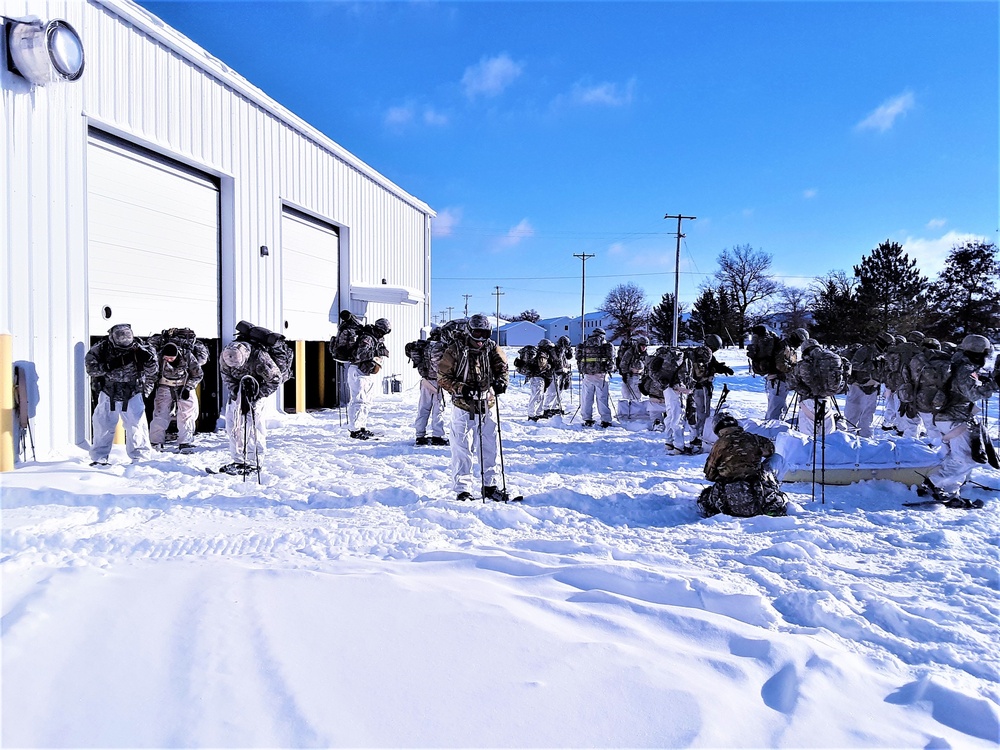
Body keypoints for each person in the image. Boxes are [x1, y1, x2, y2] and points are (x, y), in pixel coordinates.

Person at [437, 314, 513, 502]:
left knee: (490, 446)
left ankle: (490, 485)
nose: (480, 339)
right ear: (469, 331)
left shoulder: (491, 348)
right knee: (462, 448)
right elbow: (442, 377)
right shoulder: (455, 350)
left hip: (487, 403)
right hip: (463, 406)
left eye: (484, 334)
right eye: (476, 333)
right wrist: (462, 388)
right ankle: (463, 489)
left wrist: (501, 383)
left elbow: (502, 369)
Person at [920, 334, 996, 507]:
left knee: (955, 456)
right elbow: (973, 394)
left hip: (949, 418)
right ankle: (934, 483)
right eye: (984, 353)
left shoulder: (959, 364)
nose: (985, 358)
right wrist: (994, 385)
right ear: (976, 352)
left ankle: (949, 490)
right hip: (954, 418)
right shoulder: (964, 368)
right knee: (966, 457)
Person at [85, 323, 158, 466]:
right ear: (112, 337)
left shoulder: (142, 348)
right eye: (120, 337)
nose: (124, 340)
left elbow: (153, 371)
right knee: (103, 426)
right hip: (108, 392)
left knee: (137, 426)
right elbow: (91, 369)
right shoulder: (101, 349)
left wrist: (148, 361)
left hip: (133, 391)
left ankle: (140, 458)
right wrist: (108, 366)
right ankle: (99, 458)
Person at [698, 413, 788, 518]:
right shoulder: (753, 438)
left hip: (728, 490)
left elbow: (710, 474)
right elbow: (771, 450)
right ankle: (773, 488)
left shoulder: (718, 445)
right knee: (778, 458)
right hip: (756, 486)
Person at [219, 333, 284, 474]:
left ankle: (255, 462)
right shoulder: (226, 356)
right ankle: (238, 461)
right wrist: (235, 390)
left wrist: (258, 394)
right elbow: (225, 375)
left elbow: (275, 379)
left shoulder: (259, 358)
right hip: (237, 393)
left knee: (254, 427)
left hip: (257, 394)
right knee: (234, 426)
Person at [147, 328, 210, 452]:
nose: (168, 360)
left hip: (184, 385)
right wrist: (147, 389)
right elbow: (152, 374)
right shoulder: (158, 358)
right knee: (160, 413)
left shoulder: (187, 356)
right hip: (165, 385)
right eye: (166, 358)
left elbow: (197, 374)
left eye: (171, 358)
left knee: (187, 414)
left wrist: (188, 387)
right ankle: (156, 441)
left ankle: (185, 442)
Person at [748, 325, 805, 421]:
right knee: (776, 410)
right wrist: (795, 371)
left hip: (778, 381)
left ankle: (772, 428)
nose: (799, 344)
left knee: (778, 407)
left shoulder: (788, 346)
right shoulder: (785, 346)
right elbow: (780, 365)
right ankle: (771, 431)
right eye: (800, 341)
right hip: (777, 381)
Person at [347, 317, 391, 439]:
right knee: (358, 401)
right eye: (383, 331)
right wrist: (377, 353)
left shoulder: (375, 339)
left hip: (365, 373)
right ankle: (355, 430)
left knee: (366, 402)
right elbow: (359, 355)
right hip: (358, 371)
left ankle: (361, 427)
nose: (383, 334)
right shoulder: (367, 338)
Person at [844, 331, 894, 438]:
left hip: (873, 388)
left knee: (868, 414)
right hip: (858, 387)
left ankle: (865, 436)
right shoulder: (865, 351)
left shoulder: (883, 355)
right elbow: (854, 365)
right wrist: (871, 366)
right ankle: (848, 437)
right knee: (853, 414)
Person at [688, 334, 734, 449]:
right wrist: (715, 369)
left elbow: (713, 364)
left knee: (704, 413)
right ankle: (697, 436)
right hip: (700, 388)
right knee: (701, 413)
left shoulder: (706, 354)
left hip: (705, 387)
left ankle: (700, 434)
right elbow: (701, 372)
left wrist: (722, 368)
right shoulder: (701, 355)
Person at [405, 326, 448, 447]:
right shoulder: (440, 347)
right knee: (438, 410)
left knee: (423, 408)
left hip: (425, 380)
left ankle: (420, 435)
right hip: (437, 381)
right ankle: (437, 436)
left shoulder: (423, 345)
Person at [575, 327, 614, 428]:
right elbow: (611, 360)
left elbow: (578, 358)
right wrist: (609, 369)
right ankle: (605, 420)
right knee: (602, 398)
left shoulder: (584, 344)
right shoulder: (606, 345)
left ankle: (587, 419)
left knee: (587, 398)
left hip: (587, 374)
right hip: (601, 374)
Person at [545, 335, 574, 417]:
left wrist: (569, 350)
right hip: (555, 372)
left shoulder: (564, 350)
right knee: (552, 392)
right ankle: (547, 408)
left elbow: (569, 357)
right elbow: (557, 359)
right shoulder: (554, 350)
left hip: (562, 372)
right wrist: (562, 349)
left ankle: (555, 407)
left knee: (560, 391)